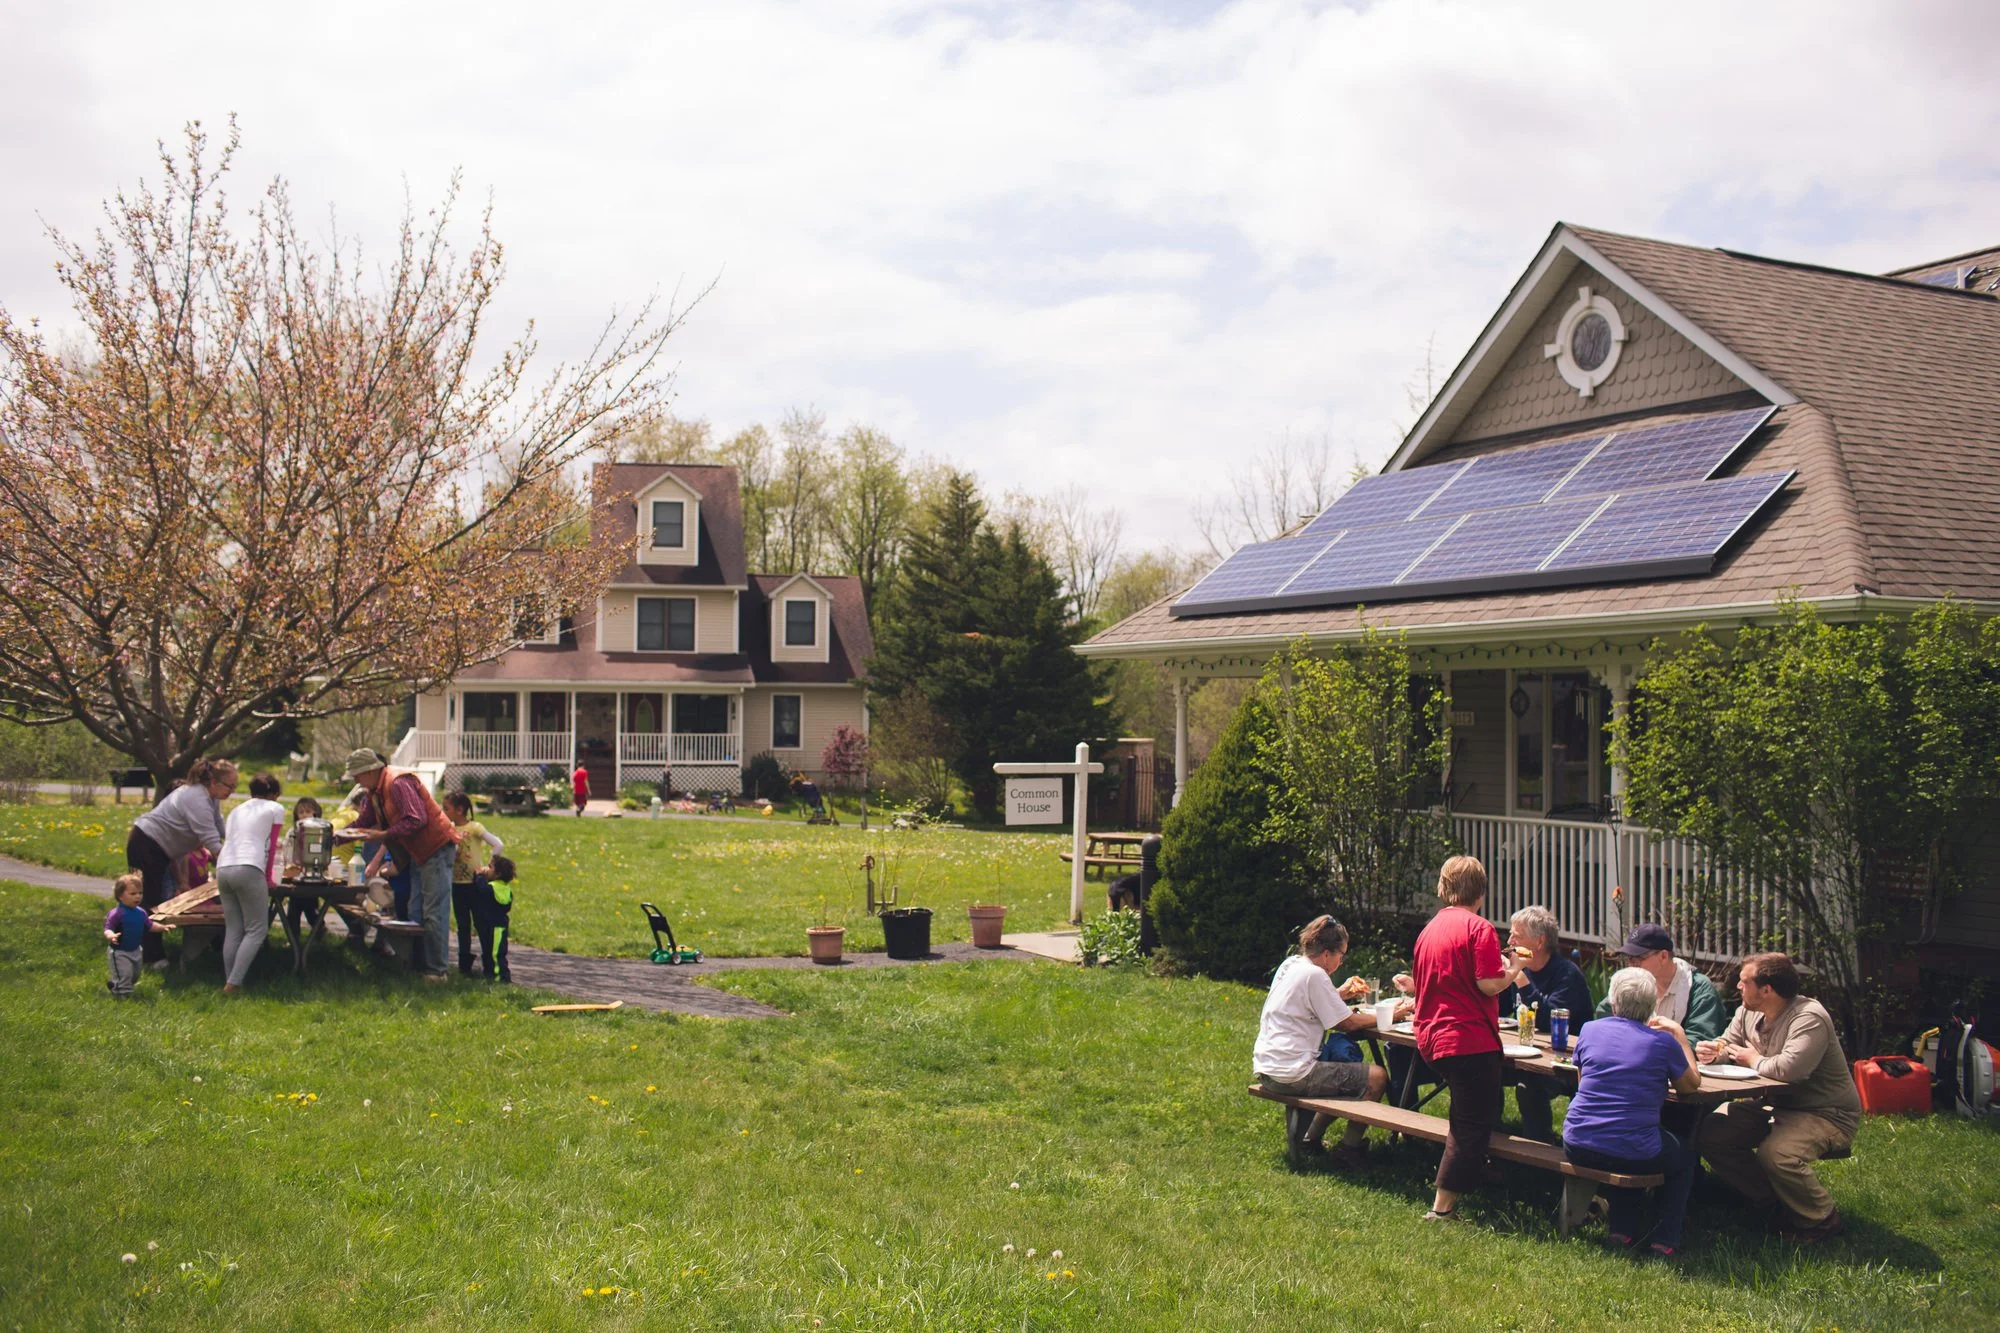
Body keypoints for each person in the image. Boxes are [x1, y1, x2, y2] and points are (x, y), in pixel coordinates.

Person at [1696, 953, 1861, 1243]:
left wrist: (1753, 1058)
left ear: (1767, 989)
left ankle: (1821, 1220)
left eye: (1744, 982)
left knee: (1778, 1153)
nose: (1737, 987)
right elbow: (1729, 1042)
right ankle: (1772, 1203)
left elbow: (1788, 1070)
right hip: (1776, 1104)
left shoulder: (1808, 1017)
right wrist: (1716, 1051)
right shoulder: (1748, 1011)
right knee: (1712, 1132)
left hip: (1825, 1112)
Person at [1409, 855, 1524, 1222]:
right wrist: (1514, 971)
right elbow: (1488, 983)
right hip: (1467, 1039)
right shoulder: (1480, 928)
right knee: (1471, 1123)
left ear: (1444, 888)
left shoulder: (1430, 929)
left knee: (1474, 1111)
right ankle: (1442, 1208)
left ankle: (1481, 1170)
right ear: (1482, 891)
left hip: (1431, 1036)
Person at [1562, 967, 1704, 1258]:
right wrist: (1681, 1037)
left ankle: (1621, 1231)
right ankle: (1664, 1240)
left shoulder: (1589, 1030)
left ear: (1613, 1003)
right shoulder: (1663, 1043)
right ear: (1652, 1007)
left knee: (1632, 1141)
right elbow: (1691, 1086)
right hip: (1633, 1146)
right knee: (1683, 1156)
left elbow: (1582, 1082)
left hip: (1577, 1141)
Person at [1253, 915, 1408, 1168]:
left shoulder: (1291, 965)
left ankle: (1311, 1138)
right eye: (1341, 954)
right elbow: (1346, 1023)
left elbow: (1305, 1002)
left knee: (1339, 1064)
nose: (1341, 960)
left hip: (1267, 1067)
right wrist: (1392, 1014)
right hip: (1293, 1073)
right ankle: (1350, 1147)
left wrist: (1340, 994)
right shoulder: (1315, 975)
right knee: (1376, 1077)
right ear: (1326, 954)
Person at [334, 748, 462, 984]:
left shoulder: (397, 782)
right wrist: (337, 836)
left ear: (371, 770)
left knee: (433, 912)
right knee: (416, 911)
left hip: (435, 847)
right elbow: (364, 822)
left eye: (357, 775)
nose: (355, 781)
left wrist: (382, 834)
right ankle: (417, 966)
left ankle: (436, 971)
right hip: (417, 852)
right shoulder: (375, 791)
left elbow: (416, 818)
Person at [126, 758, 234, 969]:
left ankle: (144, 951)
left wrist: (237, 843)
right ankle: (150, 957)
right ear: (213, 781)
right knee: (150, 902)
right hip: (146, 843)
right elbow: (211, 839)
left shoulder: (210, 797)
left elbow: (220, 826)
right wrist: (236, 861)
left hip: (158, 848)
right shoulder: (196, 798)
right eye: (229, 786)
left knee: (153, 900)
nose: (232, 791)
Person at [1503, 905, 1595, 1142]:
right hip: (1521, 1052)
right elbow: (1502, 1012)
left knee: (1529, 1087)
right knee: (1484, 1072)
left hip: (1563, 1062)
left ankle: (1540, 1150)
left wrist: (1520, 979)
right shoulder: (1517, 967)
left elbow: (1549, 1019)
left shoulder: (1567, 975)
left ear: (1540, 942)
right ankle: (1490, 1142)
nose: (1510, 940)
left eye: (1517, 935)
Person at [215, 772, 286, 995]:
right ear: (274, 794)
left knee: (234, 928)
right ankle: (234, 983)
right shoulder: (275, 809)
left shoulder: (236, 810)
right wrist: (268, 877)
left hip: (223, 867)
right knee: (256, 929)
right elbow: (271, 845)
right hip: (249, 867)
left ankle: (230, 980)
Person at [1593, 924, 1727, 1043]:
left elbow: (1699, 1039)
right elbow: (1604, 1014)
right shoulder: (1632, 983)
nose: (1631, 965)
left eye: (1638, 958)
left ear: (1663, 956)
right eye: (1629, 959)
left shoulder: (1699, 989)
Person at [444, 792, 506, 977]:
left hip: (474, 884)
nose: (443, 812)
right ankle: (464, 965)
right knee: (463, 925)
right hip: (456, 883)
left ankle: (489, 963)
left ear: (460, 810)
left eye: (446, 808)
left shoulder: (474, 827)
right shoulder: (449, 828)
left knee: (481, 923)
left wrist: (488, 869)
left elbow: (498, 845)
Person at [104, 872, 173, 997]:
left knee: (134, 976)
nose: (138, 897)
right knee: (125, 974)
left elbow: (150, 925)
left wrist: (162, 927)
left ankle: (115, 984)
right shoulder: (117, 913)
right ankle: (123, 997)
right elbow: (108, 928)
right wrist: (111, 935)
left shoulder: (141, 912)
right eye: (133, 894)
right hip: (120, 951)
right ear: (120, 896)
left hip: (136, 950)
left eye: (140, 893)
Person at [476, 854, 518, 983]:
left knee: (495, 953)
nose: (487, 869)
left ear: (498, 874)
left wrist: (479, 876)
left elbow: (481, 890)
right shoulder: (506, 889)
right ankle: (489, 974)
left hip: (495, 927)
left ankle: (501, 977)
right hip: (499, 924)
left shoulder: (491, 888)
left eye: (490, 867)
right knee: (491, 951)